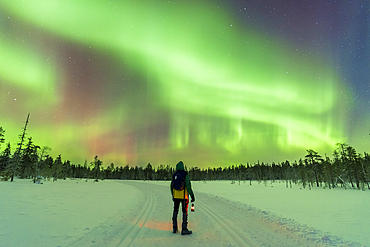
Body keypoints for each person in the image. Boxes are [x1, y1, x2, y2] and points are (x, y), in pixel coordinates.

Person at [170, 161, 195, 235]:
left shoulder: (175, 175)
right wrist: (192, 195)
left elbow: (171, 186)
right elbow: (188, 185)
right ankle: (184, 229)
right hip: (184, 197)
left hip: (176, 197)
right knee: (184, 211)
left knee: (175, 211)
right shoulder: (185, 174)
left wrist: (173, 195)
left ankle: (174, 228)